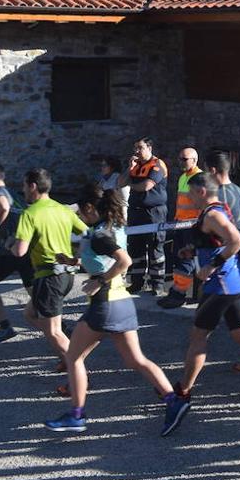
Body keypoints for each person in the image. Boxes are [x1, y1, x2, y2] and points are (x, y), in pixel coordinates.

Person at [45, 185, 186, 434]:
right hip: (122, 303)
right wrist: (74, 261)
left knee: (73, 357)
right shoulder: (112, 229)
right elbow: (106, 260)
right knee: (136, 360)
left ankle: (77, 415)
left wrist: (99, 281)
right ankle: (173, 401)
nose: (79, 216)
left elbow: (124, 261)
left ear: (90, 208)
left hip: (105, 304)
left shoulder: (100, 235)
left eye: (81, 211)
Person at [167, 172, 240, 434]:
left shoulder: (213, 214)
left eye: (190, 192)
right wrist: (193, 252)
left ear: (201, 191)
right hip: (229, 283)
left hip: (223, 284)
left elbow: (237, 241)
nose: (188, 197)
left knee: (198, 335)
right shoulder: (214, 210)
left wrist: (211, 265)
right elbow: (217, 241)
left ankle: (184, 392)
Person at [11, 168, 85, 371]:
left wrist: (10, 244)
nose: (23, 190)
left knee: (53, 331)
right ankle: (66, 351)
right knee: (30, 313)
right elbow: (88, 233)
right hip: (66, 275)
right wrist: (77, 258)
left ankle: (77, 369)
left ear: (33, 186)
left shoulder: (29, 213)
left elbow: (19, 251)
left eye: (24, 186)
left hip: (48, 276)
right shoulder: (63, 209)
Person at [0, 162, 33, 344]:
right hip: (25, 246)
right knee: (34, 291)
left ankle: (5, 327)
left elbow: (3, 207)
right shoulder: (13, 193)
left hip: (10, 249)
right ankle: (61, 326)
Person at [159, 147, 204, 309]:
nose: (181, 162)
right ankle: (176, 290)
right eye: (180, 159)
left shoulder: (200, 178)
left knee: (186, 260)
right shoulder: (183, 177)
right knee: (179, 258)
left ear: (195, 160)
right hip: (181, 224)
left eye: (184, 159)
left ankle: (179, 294)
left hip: (191, 226)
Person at [125, 139, 169, 295]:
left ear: (149, 148)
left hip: (154, 212)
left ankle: (157, 285)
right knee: (135, 248)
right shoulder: (135, 166)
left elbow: (146, 186)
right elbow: (120, 182)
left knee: (155, 247)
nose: (137, 151)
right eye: (135, 148)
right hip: (136, 212)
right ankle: (137, 283)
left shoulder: (158, 165)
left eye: (140, 148)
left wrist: (130, 184)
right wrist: (129, 169)